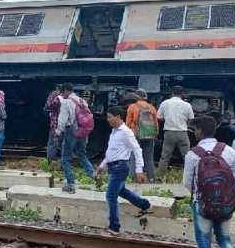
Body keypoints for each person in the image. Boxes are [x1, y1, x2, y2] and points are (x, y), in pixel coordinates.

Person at [183, 116, 235, 248]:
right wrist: (232, 194)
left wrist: (201, 195)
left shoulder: (192, 154)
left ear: (200, 131)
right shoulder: (229, 151)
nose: (195, 133)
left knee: (203, 240)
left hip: (202, 204)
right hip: (226, 203)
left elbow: (187, 182)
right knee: (224, 239)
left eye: (195, 130)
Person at [95, 105, 150, 234]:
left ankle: (114, 227)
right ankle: (145, 205)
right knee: (122, 191)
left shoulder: (126, 132)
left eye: (109, 117)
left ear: (118, 117)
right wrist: (102, 165)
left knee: (110, 195)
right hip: (114, 167)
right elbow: (111, 152)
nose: (107, 119)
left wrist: (139, 170)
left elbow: (137, 149)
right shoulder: (114, 132)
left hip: (120, 167)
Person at [56, 83, 95, 193]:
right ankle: (94, 175)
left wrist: (58, 132)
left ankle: (71, 184)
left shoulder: (66, 102)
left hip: (72, 131)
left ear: (66, 91)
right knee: (82, 155)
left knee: (65, 159)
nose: (62, 95)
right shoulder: (82, 101)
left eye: (62, 92)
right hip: (83, 131)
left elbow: (62, 119)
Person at [156, 86, 194, 177]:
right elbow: (191, 119)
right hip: (182, 133)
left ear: (172, 93)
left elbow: (159, 117)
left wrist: (167, 120)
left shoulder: (165, 103)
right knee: (187, 157)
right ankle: (190, 176)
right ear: (182, 94)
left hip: (169, 133)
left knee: (165, 156)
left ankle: (160, 177)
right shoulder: (187, 105)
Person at [126, 89, 158, 182]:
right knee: (148, 157)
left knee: (134, 156)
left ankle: (132, 177)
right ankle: (151, 178)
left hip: (136, 134)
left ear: (136, 97)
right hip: (149, 135)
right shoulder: (151, 107)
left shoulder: (132, 107)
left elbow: (128, 122)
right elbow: (156, 123)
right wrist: (155, 134)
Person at [44, 85, 62, 162]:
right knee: (62, 143)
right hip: (64, 124)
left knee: (52, 142)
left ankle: (50, 161)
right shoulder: (66, 96)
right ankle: (61, 162)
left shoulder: (54, 95)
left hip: (55, 123)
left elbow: (48, 106)